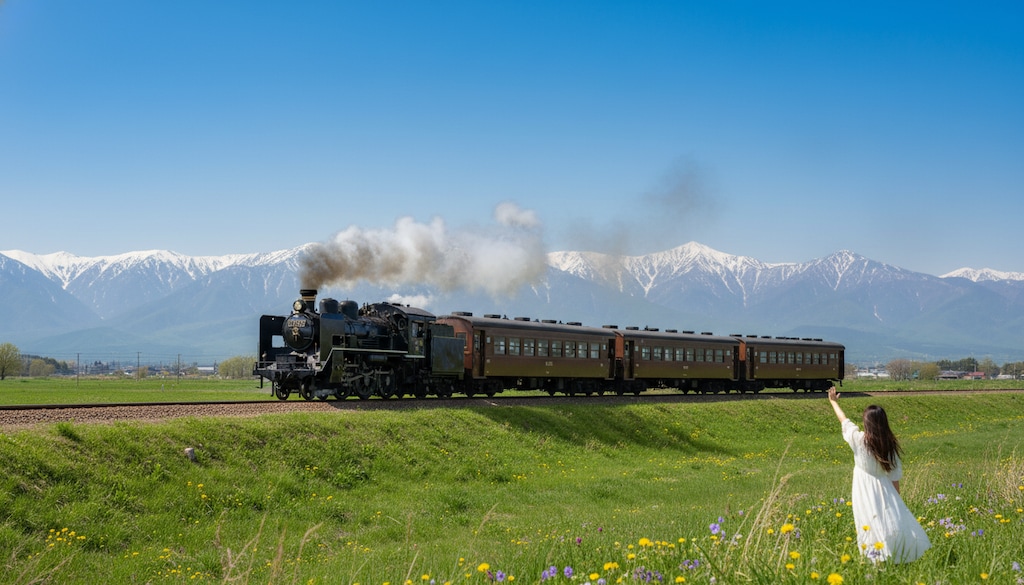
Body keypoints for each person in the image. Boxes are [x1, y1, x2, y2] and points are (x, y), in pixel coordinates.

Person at [827, 386, 931, 563]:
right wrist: (897, 501)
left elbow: (844, 421)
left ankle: (875, 558)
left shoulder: (859, 440)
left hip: (863, 490)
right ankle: (895, 553)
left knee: (866, 521)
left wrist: (833, 402)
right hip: (886, 489)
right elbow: (895, 477)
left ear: (867, 424)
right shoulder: (890, 446)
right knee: (889, 521)